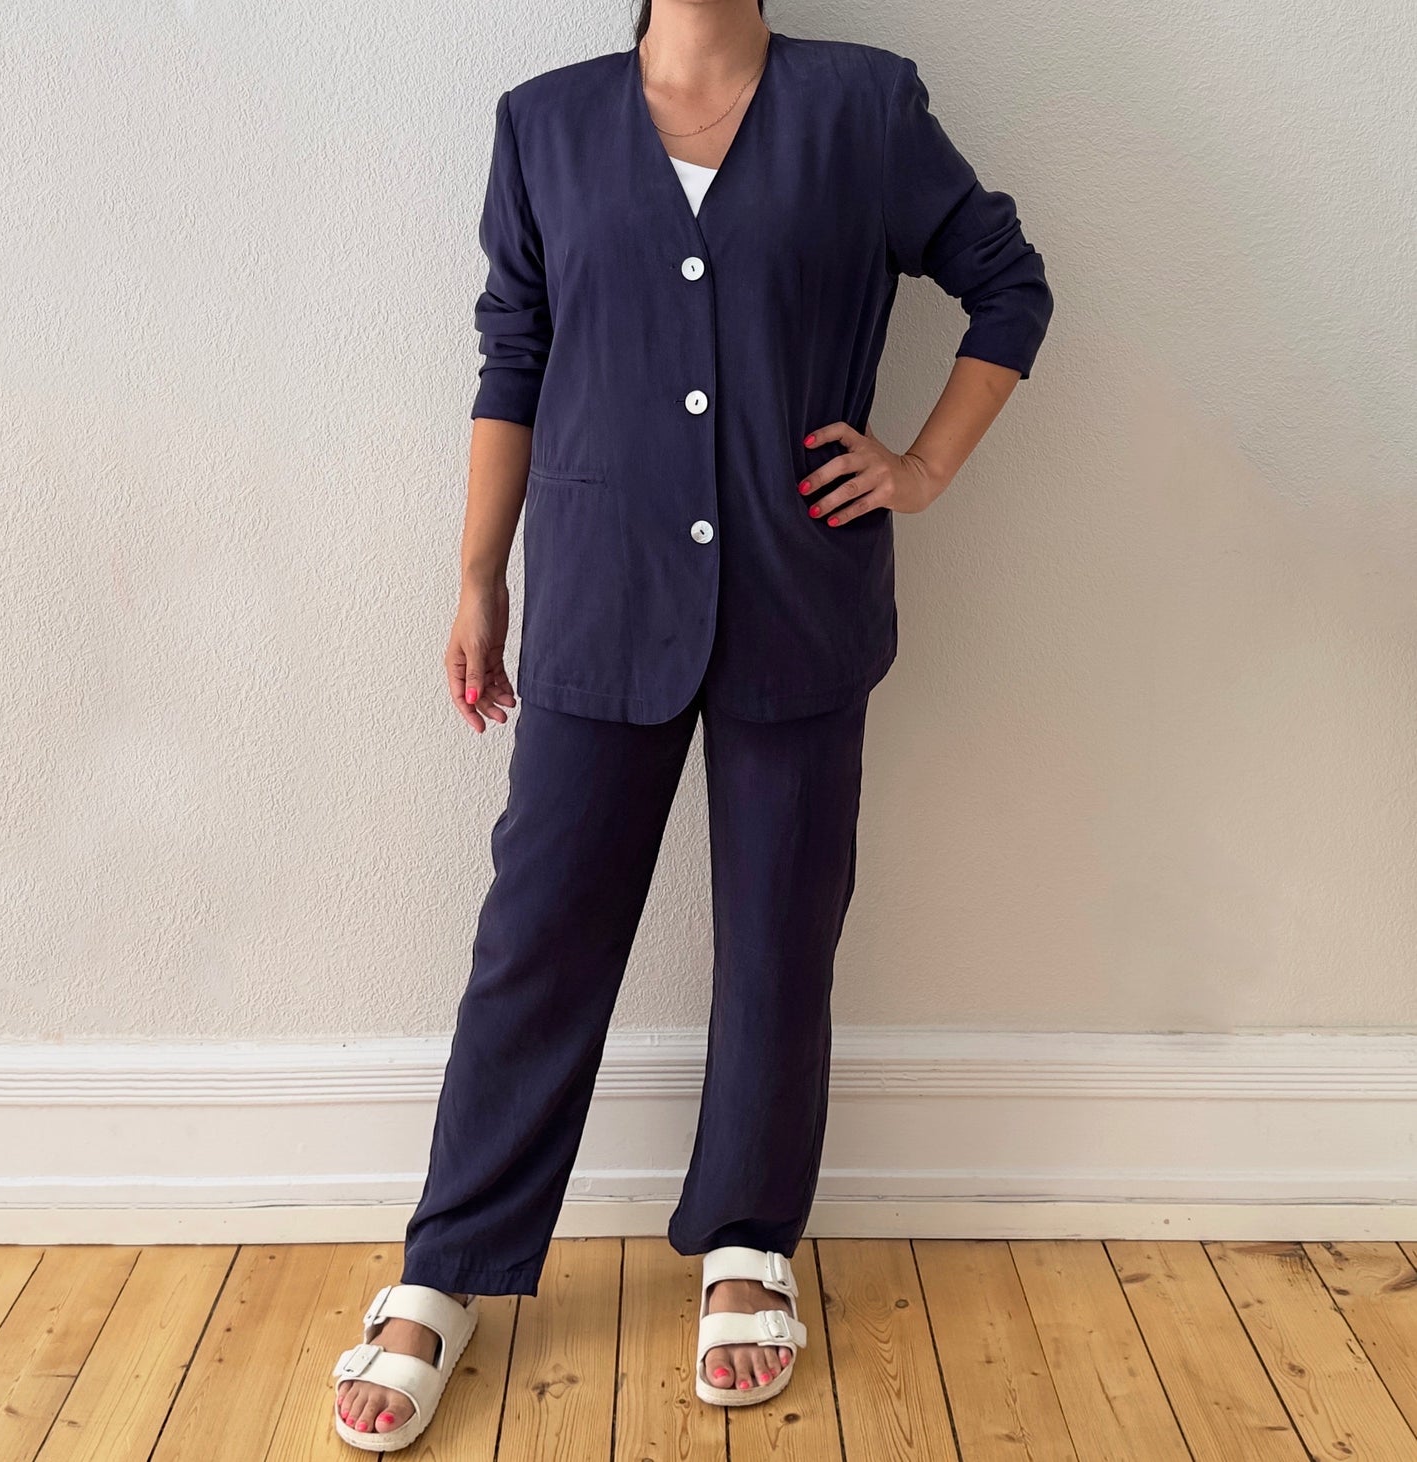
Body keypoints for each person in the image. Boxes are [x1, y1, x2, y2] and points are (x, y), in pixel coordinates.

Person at [329, 0, 1053, 1448]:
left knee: (781, 931)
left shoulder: (863, 109)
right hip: (600, 595)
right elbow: (514, 353)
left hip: (799, 593)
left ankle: (746, 1240)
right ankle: (447, 1262)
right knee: (537, 937)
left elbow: (1009, 286)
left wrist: (920, 467)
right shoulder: (544, 124)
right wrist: (476, 576)